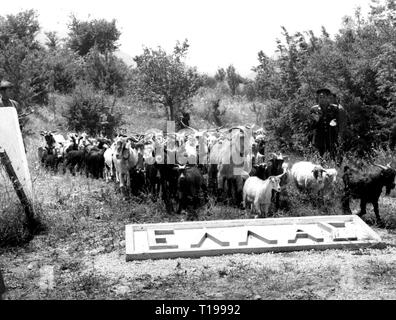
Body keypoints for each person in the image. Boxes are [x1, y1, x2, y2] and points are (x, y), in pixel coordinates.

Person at [309, 88, 348, 162]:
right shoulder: (314, 109)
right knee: (320, 160)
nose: (322, 99)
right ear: (318, 98)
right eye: (320, 97)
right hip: (319, 139)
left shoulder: (334, 108)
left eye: (324, 97)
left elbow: (339, 122)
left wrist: (338, 131)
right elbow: (311, 126)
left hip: (332, 137)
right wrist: (315, 120)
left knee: (335, 159)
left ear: (327, 98)